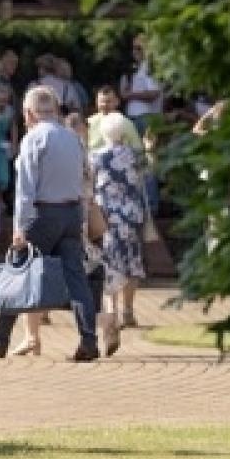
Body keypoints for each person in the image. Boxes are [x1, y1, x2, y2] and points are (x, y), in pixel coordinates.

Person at [0, 86, 100, 362]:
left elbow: (25, 189)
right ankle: (89, 340)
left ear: (29, 113)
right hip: (71, 213)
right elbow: (83, 175)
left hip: (43, 213)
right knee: (77, 279)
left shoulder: (33, 139)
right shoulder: (73, 138)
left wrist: (20, 226)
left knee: (18, 270)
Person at [91, 112, 147, 332]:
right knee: (132, 261)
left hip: (106, 216)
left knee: (109, 262)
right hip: (132, 215)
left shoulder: (96, 157)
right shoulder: (134, 156)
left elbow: (88, 182)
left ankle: (111, 310)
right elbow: (146, 174)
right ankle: (128, 311)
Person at [120, 35, 164, 135]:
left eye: (138, 48)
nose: (134, 51)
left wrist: (130, 94)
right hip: (135, 117)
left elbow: (154, 93)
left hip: (147, 117)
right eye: (133, 48)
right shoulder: (137, 68)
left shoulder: (151, 67)